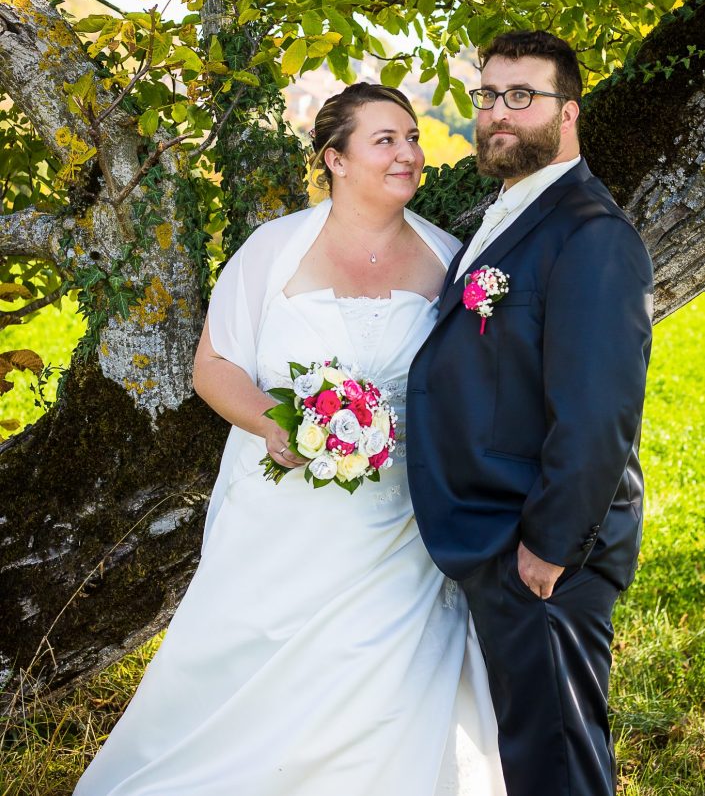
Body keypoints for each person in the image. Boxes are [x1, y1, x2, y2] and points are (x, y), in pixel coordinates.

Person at [74, 83, 506, 796]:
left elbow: (470, 384)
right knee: (249, 679)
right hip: (279, 516)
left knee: (390, 684)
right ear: (334, 158)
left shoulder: (448, 258)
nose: (409, 154)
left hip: (399, 524)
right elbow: (212, 366)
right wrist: (275, 425)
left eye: (411, 137)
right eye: (385, 141)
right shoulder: (272, 251)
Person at [406, 31, 654, 796]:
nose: (498, 113)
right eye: (487, 96)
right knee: (528, 750)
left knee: (558, 765)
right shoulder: (512, 213)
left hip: (544, 553)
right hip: (498, 534)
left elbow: (598, 409)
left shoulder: (590, 233)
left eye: (522, 96)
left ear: (567, 112)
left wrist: (548, 547)